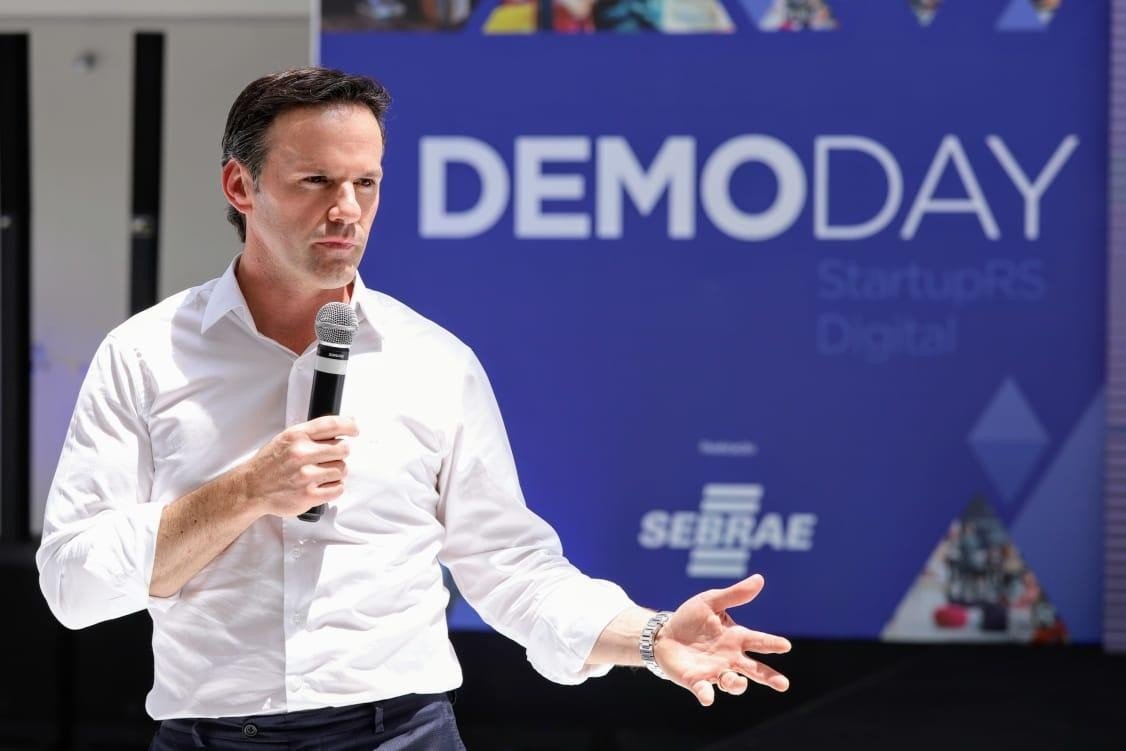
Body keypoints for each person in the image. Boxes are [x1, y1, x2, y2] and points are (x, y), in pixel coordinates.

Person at [36, 66, 791, 750]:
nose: (346, 210)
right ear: (241, 186)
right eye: (316, 181)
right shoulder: (145, 355)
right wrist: (246, 492)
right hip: (210, 736)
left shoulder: (433, 361)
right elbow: (73, 586)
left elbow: (511, 566)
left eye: (366, 183)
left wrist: (650, 637)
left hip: (400, 734)